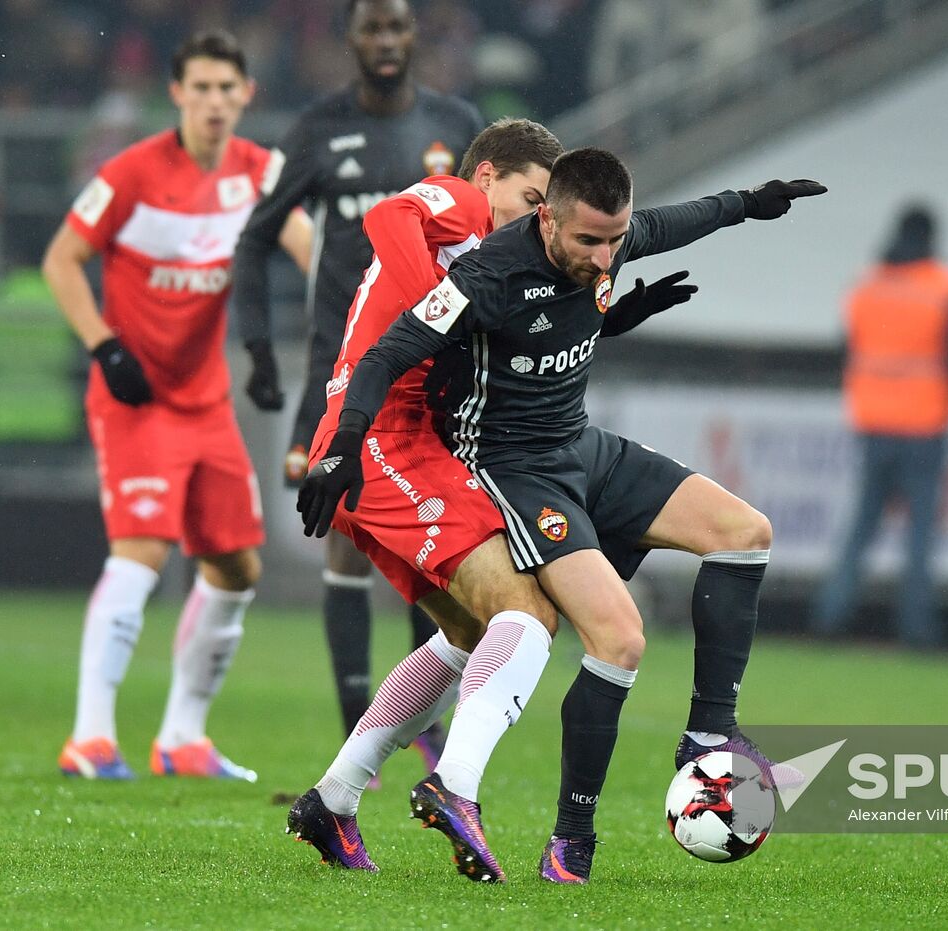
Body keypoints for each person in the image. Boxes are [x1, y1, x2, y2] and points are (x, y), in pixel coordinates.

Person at [299, 148, 824, 883]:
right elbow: (390, 353)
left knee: (745, 533)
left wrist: (746, 201)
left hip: (582, 446)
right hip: (516, 470)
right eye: (589, 242)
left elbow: (672, 223)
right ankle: (565, 838)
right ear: (546, 216)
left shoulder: (606, 238)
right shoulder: (485, 274)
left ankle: (707, 734)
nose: (605, 255)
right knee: (607, 634)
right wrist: (344, 442)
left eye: (615, 239)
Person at [284, 117, 572, 881]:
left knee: (477, 631)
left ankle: (334, 798)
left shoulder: (503, 254)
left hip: (384, 443)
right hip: (382, 438)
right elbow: (387, 216)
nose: (535, 215)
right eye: (529, 196)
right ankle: (456, 787)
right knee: (528, 610)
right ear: (487, 178)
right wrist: (432, 303)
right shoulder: (459, 202)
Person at [43, 30, 313, 781]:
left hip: (207, 404)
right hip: (134, 400)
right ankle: (90, 736)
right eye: (201, 88)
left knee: (236, 567)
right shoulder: (131, 173)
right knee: (142, 553)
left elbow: (308, 248)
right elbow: (60, 260)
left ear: (246, 94)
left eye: (228, 89)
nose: (216, 102)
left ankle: (183, 737)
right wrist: (104, 345)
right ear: (178, 93)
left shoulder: (259, 172)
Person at [231, 0, 484, 758]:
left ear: (414, 37)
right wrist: (260, 354)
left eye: (396, 28)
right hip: (342, 365)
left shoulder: (454, 123)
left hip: (435, 371)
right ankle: (359, 730)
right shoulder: (315, 128)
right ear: (349, 39)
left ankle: (425, 727)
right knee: (345, 539)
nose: (384, 41)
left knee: (429, 543)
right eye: (371, 28)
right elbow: (254, 240)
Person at [812, 205, 948, 648]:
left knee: (862, 525)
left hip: (872, 421)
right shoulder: (945, 287)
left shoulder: (867, 284)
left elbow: (846, 347)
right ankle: (917, 629)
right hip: (925, 424)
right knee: (920, 532)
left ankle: (830, 616)